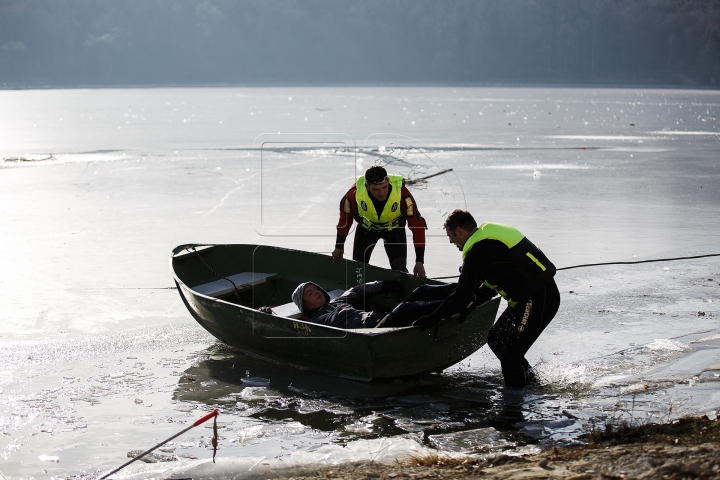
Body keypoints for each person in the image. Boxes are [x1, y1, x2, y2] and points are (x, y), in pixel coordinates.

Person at [412, 209, 561, 389]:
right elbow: (489, 286)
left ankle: (514, 408)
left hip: (538, 299)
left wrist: (431, 318)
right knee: (497, 339)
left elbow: (460, 296)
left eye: (450, 236)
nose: (451, 241)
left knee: (510, 357)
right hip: (527, 298)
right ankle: (531, 384)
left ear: (460, 231)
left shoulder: (479, 251)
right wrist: (471, 306)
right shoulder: (487, 236)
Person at [332, 165, 428, 278]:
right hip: (366, 230)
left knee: (400, 270)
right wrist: (339, 246)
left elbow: (417, 226)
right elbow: (345, 219)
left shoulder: (402, 193)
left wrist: (419, 261)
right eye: (376, 190)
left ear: (387, 181)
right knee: (358, 270)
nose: (382, 193)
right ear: (367, 186)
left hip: (394, 230)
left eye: (384, 187)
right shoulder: (354, 193)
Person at [289, 280, 441, 329]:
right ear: (305, 306)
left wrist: (383, 285)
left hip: (380, 320)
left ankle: (459, 293)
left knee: (422, 291)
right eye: (310, 293)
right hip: (371, 332)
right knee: (403, 310)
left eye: (315, 288)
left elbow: (357, 291)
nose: (316, 292)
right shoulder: (315, 322)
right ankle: (447, 306)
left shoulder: (339, 301)